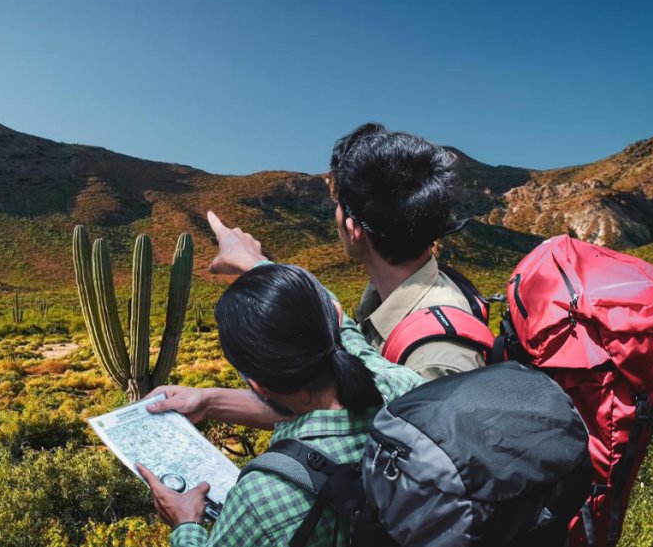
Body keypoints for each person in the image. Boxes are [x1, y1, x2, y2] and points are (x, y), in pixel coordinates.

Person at [137, 263, 423, 546]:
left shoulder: (261, 498)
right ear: (333, 317)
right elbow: (345, 328)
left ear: (259, 386)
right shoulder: (401, 385)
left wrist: (185, 523)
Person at [206, 122, 483, 379]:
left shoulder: (433, 361)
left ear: (354, 229)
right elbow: (359, 409)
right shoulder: (393, 297)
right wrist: (210, 401)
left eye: (338, 203)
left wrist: (258, 266)